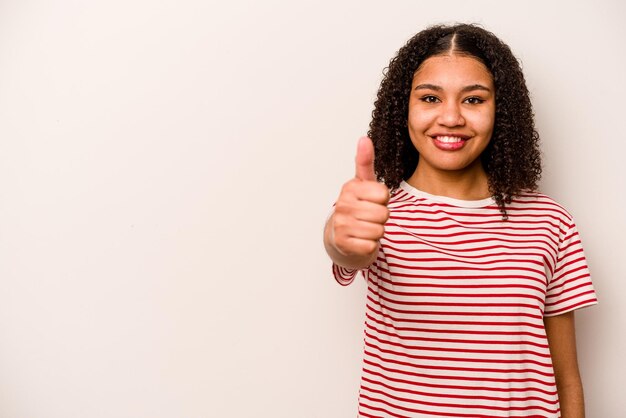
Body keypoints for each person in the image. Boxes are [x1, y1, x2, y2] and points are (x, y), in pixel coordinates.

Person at [323, 23, 597, 418]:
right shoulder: (373, 212)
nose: (450, 117)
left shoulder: (549, 222)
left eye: (473, 100)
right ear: (404, 108)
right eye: (430, 97)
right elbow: (345, 247)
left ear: (500, 110)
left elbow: (565, 377)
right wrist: (340, 236)